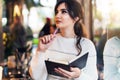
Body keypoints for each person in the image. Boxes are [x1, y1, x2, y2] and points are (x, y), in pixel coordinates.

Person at [30, 0, 98, 80]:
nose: (57, 15)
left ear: (76, 18)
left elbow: (93, 78)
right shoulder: (48, 42)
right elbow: (36, 77)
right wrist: (40, 51)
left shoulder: (87, 45)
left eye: (64, 12)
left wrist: (79, 75)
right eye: (57, 12)